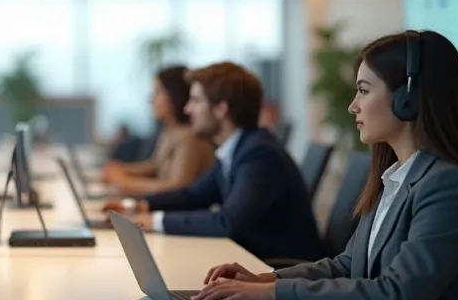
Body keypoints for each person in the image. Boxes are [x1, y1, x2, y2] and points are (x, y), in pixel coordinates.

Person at [194, 31, 458, 300]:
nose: (353, 105)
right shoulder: (396, 178)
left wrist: (274, 293)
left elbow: (395, 298)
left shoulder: (448, 187)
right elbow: (346, 266)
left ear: (407, 99)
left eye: (364, 91)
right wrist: (264, 280)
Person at [103, 62, 322, 262]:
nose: (187, 109)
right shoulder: (236, 148)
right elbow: (192, 196)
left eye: (196, 101)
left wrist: (155, 221)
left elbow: (227, 222)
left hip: (280, 270)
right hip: (248, 260)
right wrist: (137, 206)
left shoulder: (260, 153)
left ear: (221, 108)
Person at [99, 65, 215, 197]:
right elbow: (156, 166)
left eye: (157, 92)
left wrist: (124, 182)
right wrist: (121, 170)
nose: (151, 100)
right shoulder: (170, 130)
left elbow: (178, 188)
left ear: (174, 95)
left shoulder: (190, 138)